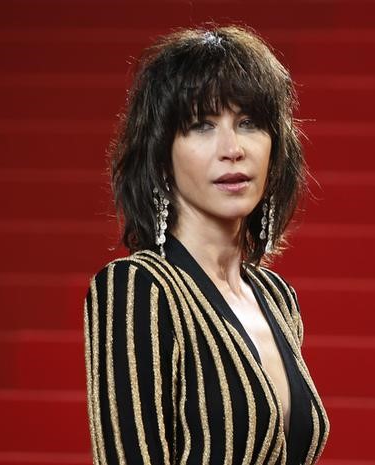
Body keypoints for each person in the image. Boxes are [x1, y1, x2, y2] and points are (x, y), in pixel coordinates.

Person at [83, 25, 329, 465]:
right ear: (161, 155)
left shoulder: (277, 298)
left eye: (249, 123)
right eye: (201, 125)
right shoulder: (138, 289)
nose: (232, 148)